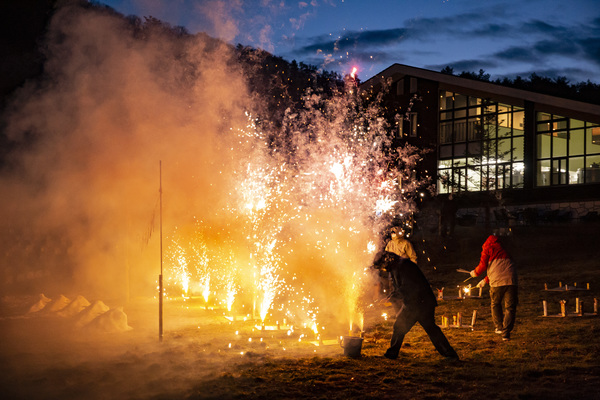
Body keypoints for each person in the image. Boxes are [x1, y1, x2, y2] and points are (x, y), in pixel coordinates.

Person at [373, 251, 459, 360]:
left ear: (386, 262)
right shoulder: (397, 266)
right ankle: (450, 355)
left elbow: (408, 286)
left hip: (420, 303)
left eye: (381, 267)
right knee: (427, 329)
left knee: (407, 328)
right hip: (416, 302)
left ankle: (450, 355)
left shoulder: (403, 266)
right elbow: (399, 287)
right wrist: (390, 297)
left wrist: (391, 298)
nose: (382, 269)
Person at [469, 234, 518, 341]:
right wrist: (485, 280)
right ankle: (506, 333)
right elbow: (500, 268)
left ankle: (499, 327)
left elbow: (483, 265)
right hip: (511, 280)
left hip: (496, 282)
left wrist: (475, 273)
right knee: (510, 308)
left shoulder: (487, 247)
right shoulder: (504, 248)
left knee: (495, 304)